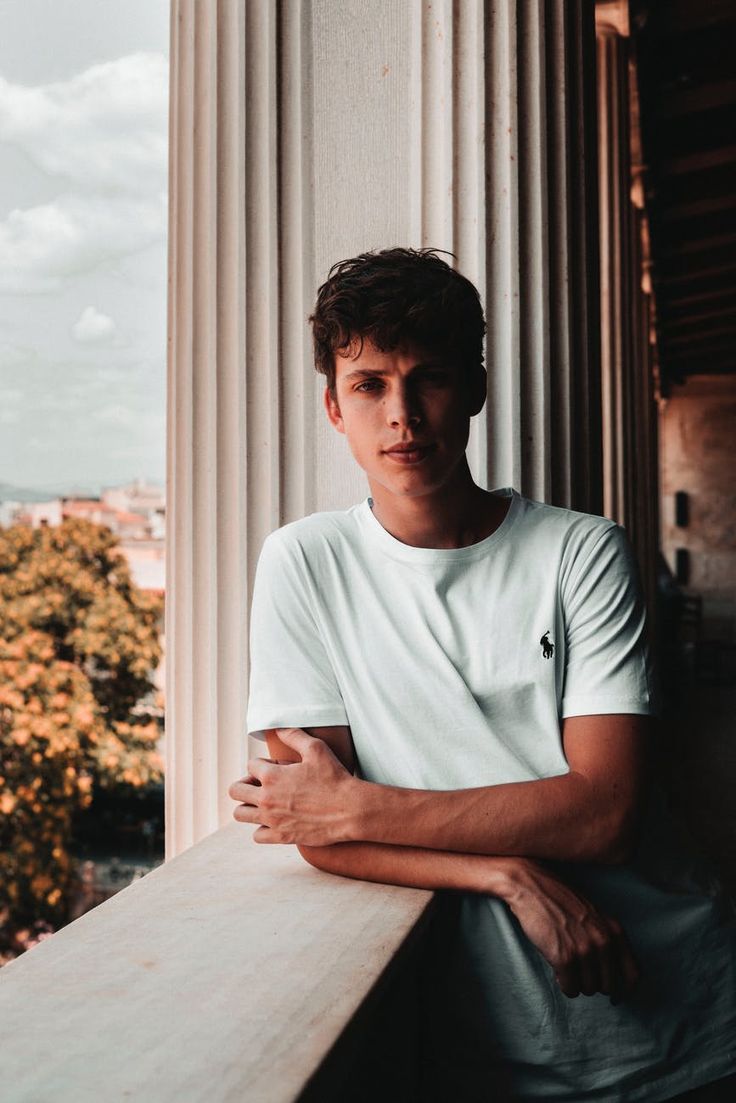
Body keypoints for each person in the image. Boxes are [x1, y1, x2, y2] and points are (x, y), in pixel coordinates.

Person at [229, 248, 736, 1101]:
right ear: (332, 406)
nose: (402, 416)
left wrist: (365, 805)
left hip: (677, 1014)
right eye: (369, 385)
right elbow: (315, 824)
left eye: (428, 379)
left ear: (474, 389)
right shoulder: (304, 562)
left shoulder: (582, 551)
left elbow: (607, 814)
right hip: (481, 1045)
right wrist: (502, 871)